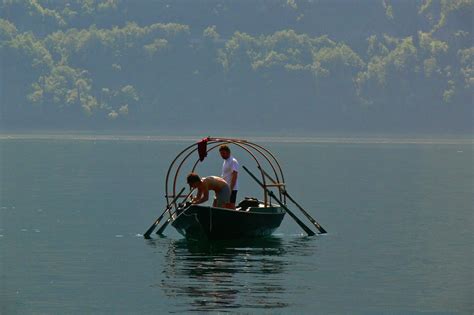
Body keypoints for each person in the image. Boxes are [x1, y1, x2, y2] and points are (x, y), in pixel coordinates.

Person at [219, 145, 239, 209]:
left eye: (223, 153)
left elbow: (234, 176)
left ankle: (235, 217)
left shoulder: (233, 161)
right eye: (221, 153)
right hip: (225, 187)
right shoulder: (225, 161)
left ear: (228, 152)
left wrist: (230, 189)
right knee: (224, 204)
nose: (222, 155)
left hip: (231, 188)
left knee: (231, 205)